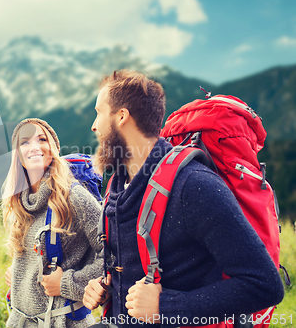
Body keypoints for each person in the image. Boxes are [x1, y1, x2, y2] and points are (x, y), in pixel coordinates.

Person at [82, 70, 284, 327]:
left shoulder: (193, 186)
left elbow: (265, 286)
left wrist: (165, 306)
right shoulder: (117, 186)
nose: (94, 125)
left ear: (121, 116)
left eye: (99, 112)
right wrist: (106, 287)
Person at [1, 118, 103, 328]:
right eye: (25, 142)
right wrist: (20, 273)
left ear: (55, 148)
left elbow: (116, 253)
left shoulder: (74, 198)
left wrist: (67, 283)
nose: (35, 147)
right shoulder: (20, 203)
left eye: (41, 139)